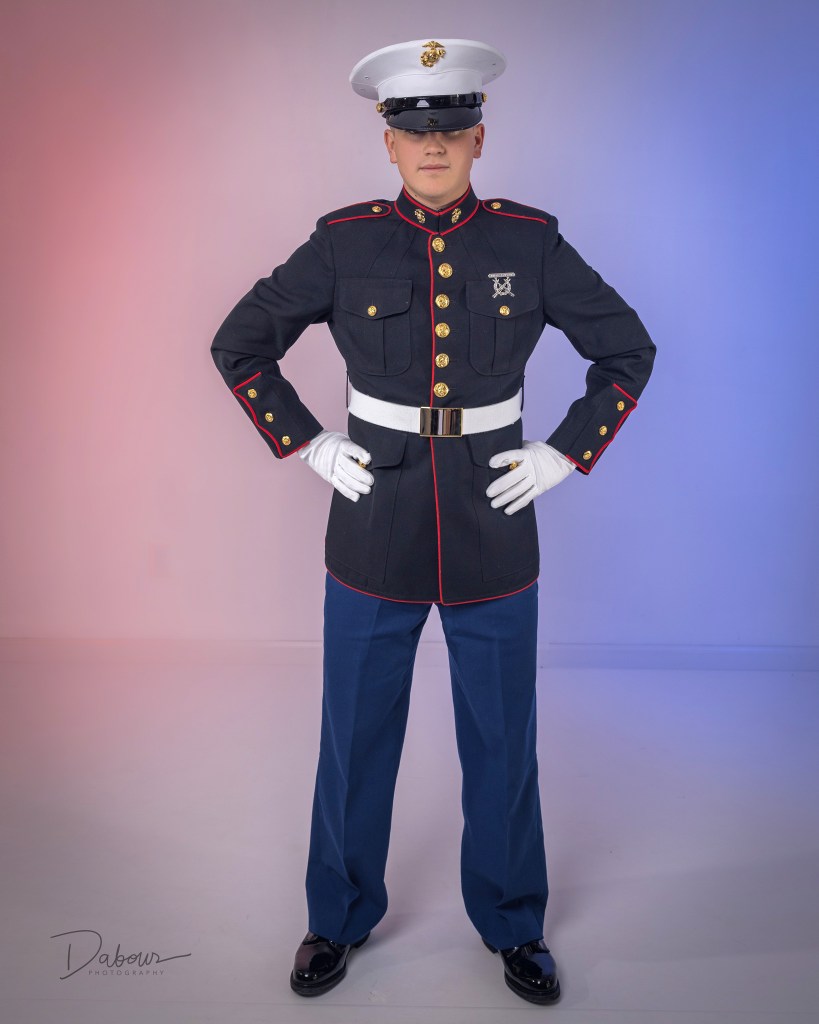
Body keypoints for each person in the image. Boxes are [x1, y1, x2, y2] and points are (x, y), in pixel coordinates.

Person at [210, 38, 655, 1006]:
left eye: (453, 128)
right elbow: (240, 341)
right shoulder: (345, 242)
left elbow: (627, 348)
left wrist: (565, 452)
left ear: (481, 136)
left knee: (503, 736)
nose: (435, 146)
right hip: (375, 517)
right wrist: (306, 442)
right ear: (389, 143)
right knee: (354, 734)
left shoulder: (528, 242)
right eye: (416, 132)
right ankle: (335, 915)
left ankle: (513, 923)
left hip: (494, 517)